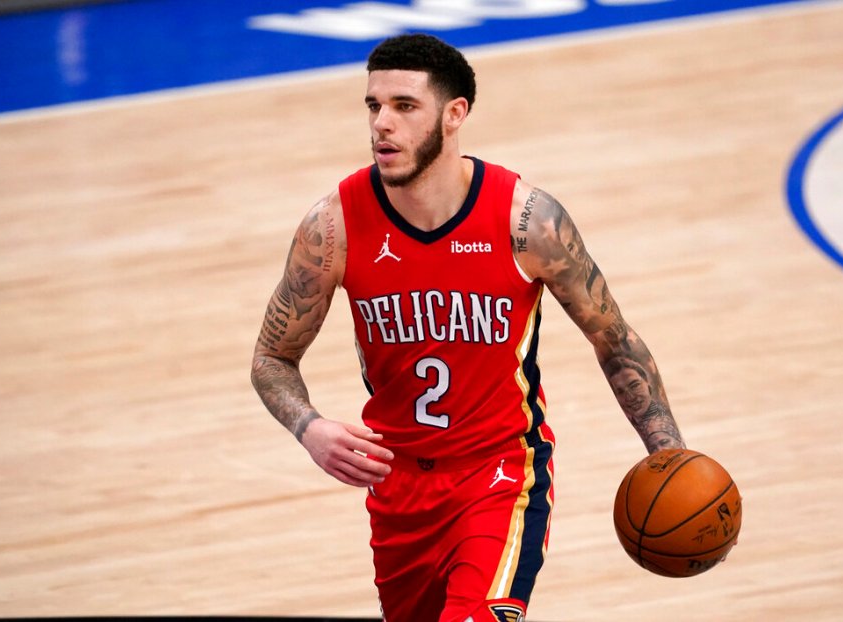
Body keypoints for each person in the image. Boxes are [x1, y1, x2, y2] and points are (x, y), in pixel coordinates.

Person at [251, 33, 685, 622]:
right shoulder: (333, 227)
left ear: (455, 115)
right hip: (397, 488)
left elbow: (613, 337)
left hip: (501, 474)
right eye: (373, 106)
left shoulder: (527, 221)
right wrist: (310, 428)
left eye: (404, 106)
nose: (382, 124)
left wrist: (669, 454)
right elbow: (272, 359)